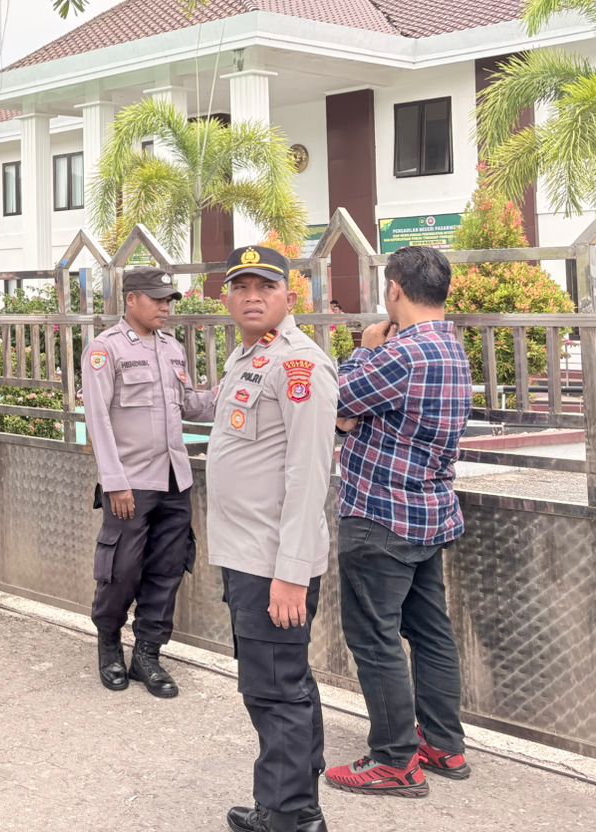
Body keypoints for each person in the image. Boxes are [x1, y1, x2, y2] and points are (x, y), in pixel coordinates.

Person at [324, 245, 472, 797]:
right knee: (431, 634)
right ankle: (442, 744)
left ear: (394, 291)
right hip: (430, 515)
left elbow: (335, 399)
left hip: (379, 517)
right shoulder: (453, 350)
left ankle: (393, 760)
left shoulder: (401, 354)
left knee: (375, 637)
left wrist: (362, 349)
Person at [207, 245, 339, 832]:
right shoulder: (250, 357)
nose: (252, 295)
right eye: (241, 286)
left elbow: (309, 476)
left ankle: (287, 816)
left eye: (265, 285)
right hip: (247, 554)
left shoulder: (299, 364)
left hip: (271, 563)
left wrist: (290, 572)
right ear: (226, 296)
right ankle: (297, 799)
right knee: (287, 681)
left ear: (291, 295)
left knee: (273, 690)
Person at [81, 267, 216, 698]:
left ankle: (148, 654)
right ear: (131, 299)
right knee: (120, 570)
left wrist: (230, 387)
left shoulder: (172, 349)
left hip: (175, 480)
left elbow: (189, 405)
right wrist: (114, 482)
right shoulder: (106, 349)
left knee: (168, 569)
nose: (165, 307)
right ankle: (108, 645)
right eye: (157, 299)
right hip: (131, 483)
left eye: (169, 300)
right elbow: (98, 419)